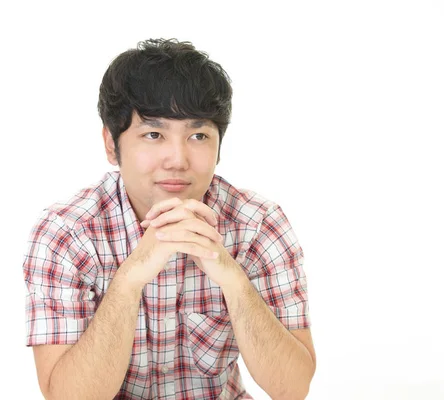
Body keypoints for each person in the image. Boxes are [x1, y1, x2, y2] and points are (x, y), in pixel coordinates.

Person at [22, 38, 316, 400]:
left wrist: (230, 275)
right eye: (153, 134)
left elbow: (293, 388)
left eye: (198, 135)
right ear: (112, 144)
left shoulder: (258, 224)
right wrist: (130, 279)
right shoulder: (67, 232)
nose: (177, 159)